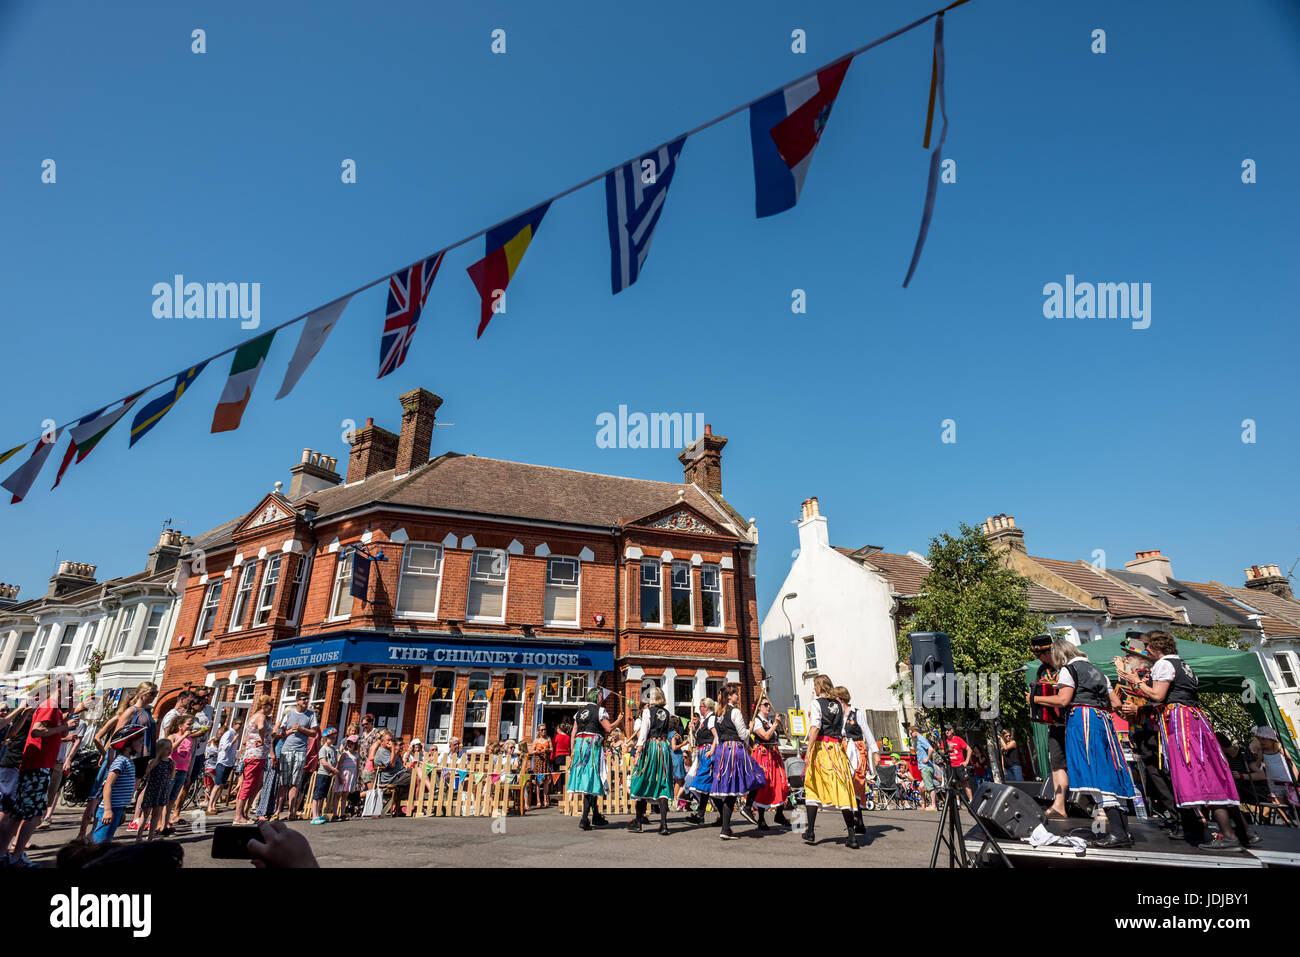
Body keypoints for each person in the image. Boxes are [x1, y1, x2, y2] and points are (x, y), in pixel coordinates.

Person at [1116, 630, 1257, 851]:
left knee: (1198, 774)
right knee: (1212, 772)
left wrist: (1135, 681)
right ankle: (1244, 832)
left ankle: (1229, 836)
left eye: (1147, 648)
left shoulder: (1163, 664)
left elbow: (1158, 695)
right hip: (1195, 719)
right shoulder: (1184, 665)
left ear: (1153, 649)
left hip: (1181, 723)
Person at [1031, 638, 1136, 849]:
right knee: (1108, 771)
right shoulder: (1098, 671)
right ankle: (1122, 830)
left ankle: (1117, 834)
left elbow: (1063, 700)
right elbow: (1115, 703)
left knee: (1095, 773)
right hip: (1102, 721)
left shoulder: (1069, 670)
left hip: (1083, 721)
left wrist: (1036, 699)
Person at [0, 677, 80, 867]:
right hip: (37, 765)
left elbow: (56, 733)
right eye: (70, 685)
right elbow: (37, 731)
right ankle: (17, 855)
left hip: (39, 764)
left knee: (18, 812)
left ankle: (4, 854)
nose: (74, 688)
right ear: (58, 686)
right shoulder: (50, 705)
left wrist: (66, 723)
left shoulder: (54, 707)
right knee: (33, 813)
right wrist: (65, 727)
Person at [801, 674, 860, 848]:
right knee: (842, 788)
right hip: (837, 750)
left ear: (820, 686)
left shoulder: (817, 703)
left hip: (822, 749)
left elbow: (815, 727)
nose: (814, 688)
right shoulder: (839, 705)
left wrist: (809, 749)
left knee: (812, 787)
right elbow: (842, 730)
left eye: (815, 685)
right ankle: (852, 836)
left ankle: (811, 832)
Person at [706, 683, 767, 840]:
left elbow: (718, 737)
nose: (738, 697)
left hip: (722, 751)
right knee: (758, 774)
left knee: (729, 790)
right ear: (729, 697)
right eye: (735, 694)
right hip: (734, 750)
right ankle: (747, 807)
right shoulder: (735, 712)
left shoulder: (717, 715)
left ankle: (726, 829)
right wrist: (751, 728)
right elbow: (742, 734)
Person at [1030, 633, 1070, 820]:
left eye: (1042, 654)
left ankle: (1098, 806)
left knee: (1080, 763)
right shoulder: (1042, 670)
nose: (1040, 658)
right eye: (1038, 656)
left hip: (1074, 721)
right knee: (1056, 763)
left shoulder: (1067, 667)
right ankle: (1059, 804)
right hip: (1054, 723)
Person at [567, 690, 617, 831]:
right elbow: (608, 728)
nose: (602, 697)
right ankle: (584, 819)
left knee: (591, 779)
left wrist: (572, 752)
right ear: (597, 696)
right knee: (591, 779)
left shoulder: (580, 712)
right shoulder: (600, 710)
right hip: (591, 746)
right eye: (601, 695)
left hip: (579, 747)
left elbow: (573, 732)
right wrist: (618, 720)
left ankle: (595, 816)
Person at [627, 689, 675, 835]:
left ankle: (638, 820)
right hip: (664, 747)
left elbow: (643, 733)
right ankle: (664, 824)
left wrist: (638, 752)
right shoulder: (666, 713)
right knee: (662, 781)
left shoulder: (648, 712)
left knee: (642, 778)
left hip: (651, 746)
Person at [92, 725, 146, 844]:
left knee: (107, 840)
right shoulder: (120, 761)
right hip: (109, 808)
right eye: (140, 741)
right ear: (127, 744)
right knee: (99, 841)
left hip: (117, 808)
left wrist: (122, 810)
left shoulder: (129, 762)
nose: (142, 744)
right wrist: (107, 809)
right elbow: (108, 785)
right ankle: (90, 860)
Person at [837, 686, 879, 834]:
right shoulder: (837, 715)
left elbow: (867, 732)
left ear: (839, 699)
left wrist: (875, 752)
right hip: (842, 749)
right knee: (846, 783)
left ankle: (858, 818)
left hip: (857, 748)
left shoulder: (857, 713)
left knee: (858, 782)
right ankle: (855, 818)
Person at [275, 691, 319, 822]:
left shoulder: (311, 715)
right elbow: (280, 732)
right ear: (297, 701)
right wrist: (284, 731)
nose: (306, 701)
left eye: (307, 699)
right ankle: (277, 812)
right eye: (303, 699)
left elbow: (313, 733)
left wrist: (300, 728)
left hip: (300, 750)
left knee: (295, 782)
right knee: (283, 782)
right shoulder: (289, 715)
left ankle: (291, 811)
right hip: (287, 749)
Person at [234, 695, 273, 825]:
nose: (271, 708)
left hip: (255, 755)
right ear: (264, 706)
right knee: (248, 784)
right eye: (270, 705)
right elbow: (261, 728)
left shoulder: (253, 716)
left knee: (257, 784)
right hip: (256, 755)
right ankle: (238, 816)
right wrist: (262, 739)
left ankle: (244, 812)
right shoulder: (261, 717)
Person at [1252, 726, 1297, 822]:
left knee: (1293, 802)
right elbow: (1257, 766)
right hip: (1273, 782)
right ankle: (1287, 821)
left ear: (1271, 739)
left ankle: (1293, 818)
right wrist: (1259, 758)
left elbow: (1294, 762)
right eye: (1259, 739)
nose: (1262, 741)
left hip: (1288, 781)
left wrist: (1295, 777)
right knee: (1278, 803)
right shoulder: (1262, 752)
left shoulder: (1281, 749)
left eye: (1264, 739)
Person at [685, 699, 717, 825]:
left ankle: (701, 815)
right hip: (702, 754)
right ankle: (700, 815)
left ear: (707, 707)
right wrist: (693, 730)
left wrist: (712, 749)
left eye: (701, 706)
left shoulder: (712, 719)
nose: (699, 708)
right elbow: (698, 739)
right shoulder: (705, 721)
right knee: (706, 787)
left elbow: (716, 736)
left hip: (708, 753)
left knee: (701, 784)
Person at [138, 737, 175, 841]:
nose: (170, 750)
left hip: (162, 791)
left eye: (170, 748)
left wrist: (173, 768)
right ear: (160, 749)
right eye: (167, 748)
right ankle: (139, 837)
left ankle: (150, 837)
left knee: (156, 815)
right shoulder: (155, 761)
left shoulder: (171, 763)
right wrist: (150, 765)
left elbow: (171, 777)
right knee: (145, 815)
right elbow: (145, 775)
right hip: (151, 790)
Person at [208, 718, 243, 814]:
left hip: (229, 762)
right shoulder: (228, 734)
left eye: (241, 724)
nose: (240, 726)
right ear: (234, 724)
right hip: (222, 762)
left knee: (222, 785)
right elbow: (224, 748)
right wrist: (233, 740)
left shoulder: (234, 734)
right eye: (239, 724)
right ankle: (209, 806)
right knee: (217, 785)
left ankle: (214, 805)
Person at [310, 727, 339, 825]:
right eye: (330, 738)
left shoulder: (333, 749)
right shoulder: (323, 748)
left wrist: (333, 771)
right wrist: (333, 769)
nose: (333, 740)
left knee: (322, 796)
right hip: (322, 774)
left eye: (334, 738)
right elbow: (324, 762)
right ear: (325, 738)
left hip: (329, 775)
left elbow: (335, 761)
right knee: (317, 795)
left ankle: (319, 814)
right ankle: (314, 816)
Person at [335, 734, 360, 820]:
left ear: (355, 744)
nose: (350, 745)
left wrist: (355, 779)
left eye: (352, 743)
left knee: (345, 796)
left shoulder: (357, 755)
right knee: (338, 795)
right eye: (348, 743)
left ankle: (342, 814)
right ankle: (335, 814)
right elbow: (338, 766)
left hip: (350, 778)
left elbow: (357, 768)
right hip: (342, 776)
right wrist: (340, 776)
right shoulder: (344, 754)